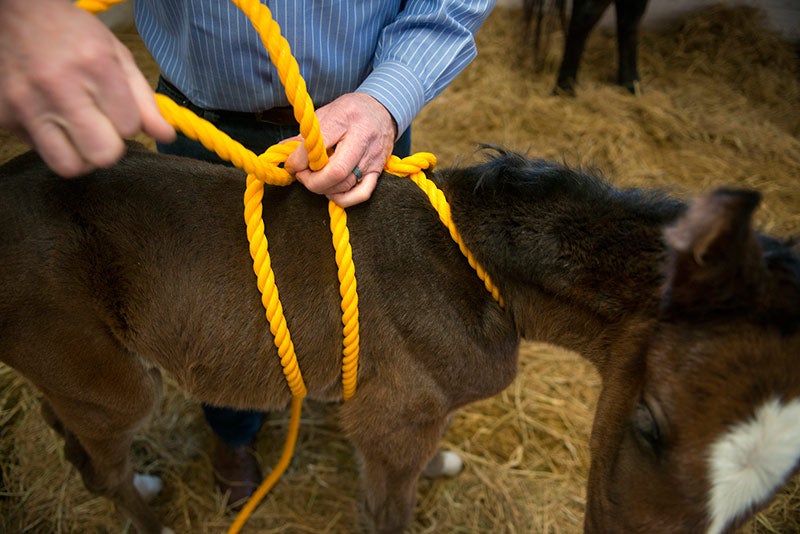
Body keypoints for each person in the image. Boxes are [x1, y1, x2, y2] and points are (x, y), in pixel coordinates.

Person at [0, 0, 496, 509]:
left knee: (382, 314)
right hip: (205, 125)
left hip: (368, 122)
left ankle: (375, 409)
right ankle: (233, 435)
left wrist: (389, 96)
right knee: (221, 323)